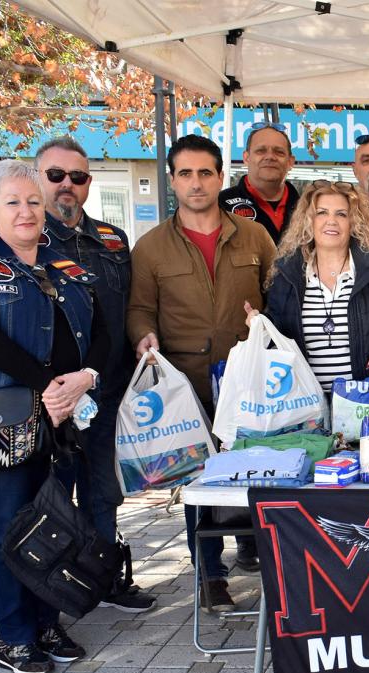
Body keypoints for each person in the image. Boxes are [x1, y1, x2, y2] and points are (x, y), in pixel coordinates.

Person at [0, 160, 106, 673]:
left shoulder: (67, 265)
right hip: (6, 418)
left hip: (63, 413)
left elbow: (99, 328)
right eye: (13, 202)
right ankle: (14, 634)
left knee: (55, 519)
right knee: (8, 523)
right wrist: (51, 383)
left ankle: (48, 621)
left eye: (33, 200)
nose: (26, 211)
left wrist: (87, 376)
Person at [127, 134, 277, 613]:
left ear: (220, 176)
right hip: (186, 385)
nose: (196, 183)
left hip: (246, 381)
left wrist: (266, 325)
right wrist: (143, 336)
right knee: (199, 483)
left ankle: (260, 554)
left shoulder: (253, 237)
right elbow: (139, 309)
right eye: (185, 173)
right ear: (172, 180)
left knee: (256, 473)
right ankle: (210, 574)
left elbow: (278, 296)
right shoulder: (150, 248)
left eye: (205, 173)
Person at [35, 136, 156, 614]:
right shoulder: (26, 239)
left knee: (104, 492)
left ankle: (103, 579)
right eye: (56, 175)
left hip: (107, 389)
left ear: (89, 183)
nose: (68, 185)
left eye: (78, 177)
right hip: (55, 397)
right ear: (38, 177)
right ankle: (57, 593)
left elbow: (128, 308)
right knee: (56, 496)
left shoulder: (112, 240)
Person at [260, 181, 369, 387]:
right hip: (304, 408)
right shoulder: (287, 275)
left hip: (365, 404)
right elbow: (275, 341)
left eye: (341, 214)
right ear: (308, 221)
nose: (331, 221)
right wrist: (259, 327)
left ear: (353, 223)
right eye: (322, 213)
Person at [219, 122, 300, 244]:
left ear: (290, 161)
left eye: (279, 152)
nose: (270, 157)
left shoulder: (308, 208)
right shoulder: (220, 205)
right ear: (246, 158)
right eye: (261, 151)